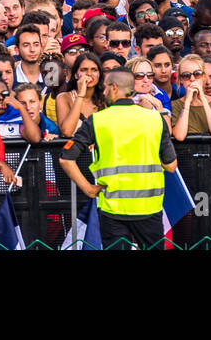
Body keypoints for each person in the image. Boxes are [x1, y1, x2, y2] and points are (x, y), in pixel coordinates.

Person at [59, 69, 179, 250]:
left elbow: (66, 159)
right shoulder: (155, 119)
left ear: (114, 88)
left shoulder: (97, 121)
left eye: (106, 88)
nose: (104, 92)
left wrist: (89, 189)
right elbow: (171, 166)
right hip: (148, 207)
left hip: (112, 208)